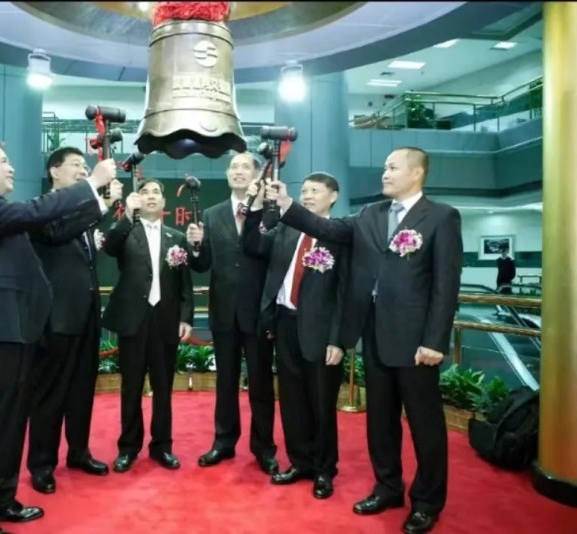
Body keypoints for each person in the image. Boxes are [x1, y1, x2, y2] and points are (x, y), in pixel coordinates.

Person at [264, 147, 463, 534]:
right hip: (373, 335)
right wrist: (286, 203)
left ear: (417, 173)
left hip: (416, 343)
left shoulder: (441, 216)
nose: (385, 173)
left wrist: (435, 340)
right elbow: (328, 229)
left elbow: (446, 284)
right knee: (380, 422)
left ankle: (427, 501)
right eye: (385, 167)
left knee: (424, 426)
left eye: (393, 167)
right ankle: (388, 487)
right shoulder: (370, 214)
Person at [0, 137, 115, 534]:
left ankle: (2, 499)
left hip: (19, 330)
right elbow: (37, 211)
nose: (11, 168)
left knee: (12, 423)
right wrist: (91, 184)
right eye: (3, 161)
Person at [242, 173, 348, 499]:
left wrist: (338, 339)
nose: (308, 195)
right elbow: (254, 245)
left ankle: (324, 469)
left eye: (315, 190)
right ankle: (300, 462)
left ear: (333, 196)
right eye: (304, 190)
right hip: (285, 324)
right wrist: (255, 208)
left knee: (321, 403)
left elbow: (345, 293)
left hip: (321, 332)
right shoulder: (288, 229)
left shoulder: (341, 234)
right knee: (291, 400)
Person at [26, 147, 123, 494]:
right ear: (54, 171)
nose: (83, 170)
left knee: (82, 391)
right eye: (76, 165)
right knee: (50, 395)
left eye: (86, 166)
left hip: (86, 318)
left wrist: (100, 204)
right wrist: (100, 202)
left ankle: (79, 452)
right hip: (57, 319)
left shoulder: (79, 213)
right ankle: (42, 464)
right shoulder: (43, 208)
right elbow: (57, 233)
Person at [185, 152, 278, 475]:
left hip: (258, 312)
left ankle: (264, 448)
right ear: (227, 175)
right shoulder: (212, 214)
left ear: (257, 175)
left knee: (261, 384)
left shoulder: (271, 214)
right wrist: (196, 246)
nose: (238, 171)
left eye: (245, 167)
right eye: (233, 167)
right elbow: (202, 265)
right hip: (224, 311)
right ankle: (223, 441)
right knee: (225, 382)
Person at [102, 179, 194, 473]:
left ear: (164, 202)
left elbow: (184, 284)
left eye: (156, 192)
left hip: (166, 321)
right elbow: (110, 247)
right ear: (137, 199)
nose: (151, 196)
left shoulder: (176, 238)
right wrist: (127, 215)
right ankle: (128, 447)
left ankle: (162, 446)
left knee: (163, 388)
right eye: (145, 192)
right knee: (131, 387)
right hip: (134, 320)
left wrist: (185, 318)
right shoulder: (126, 231)